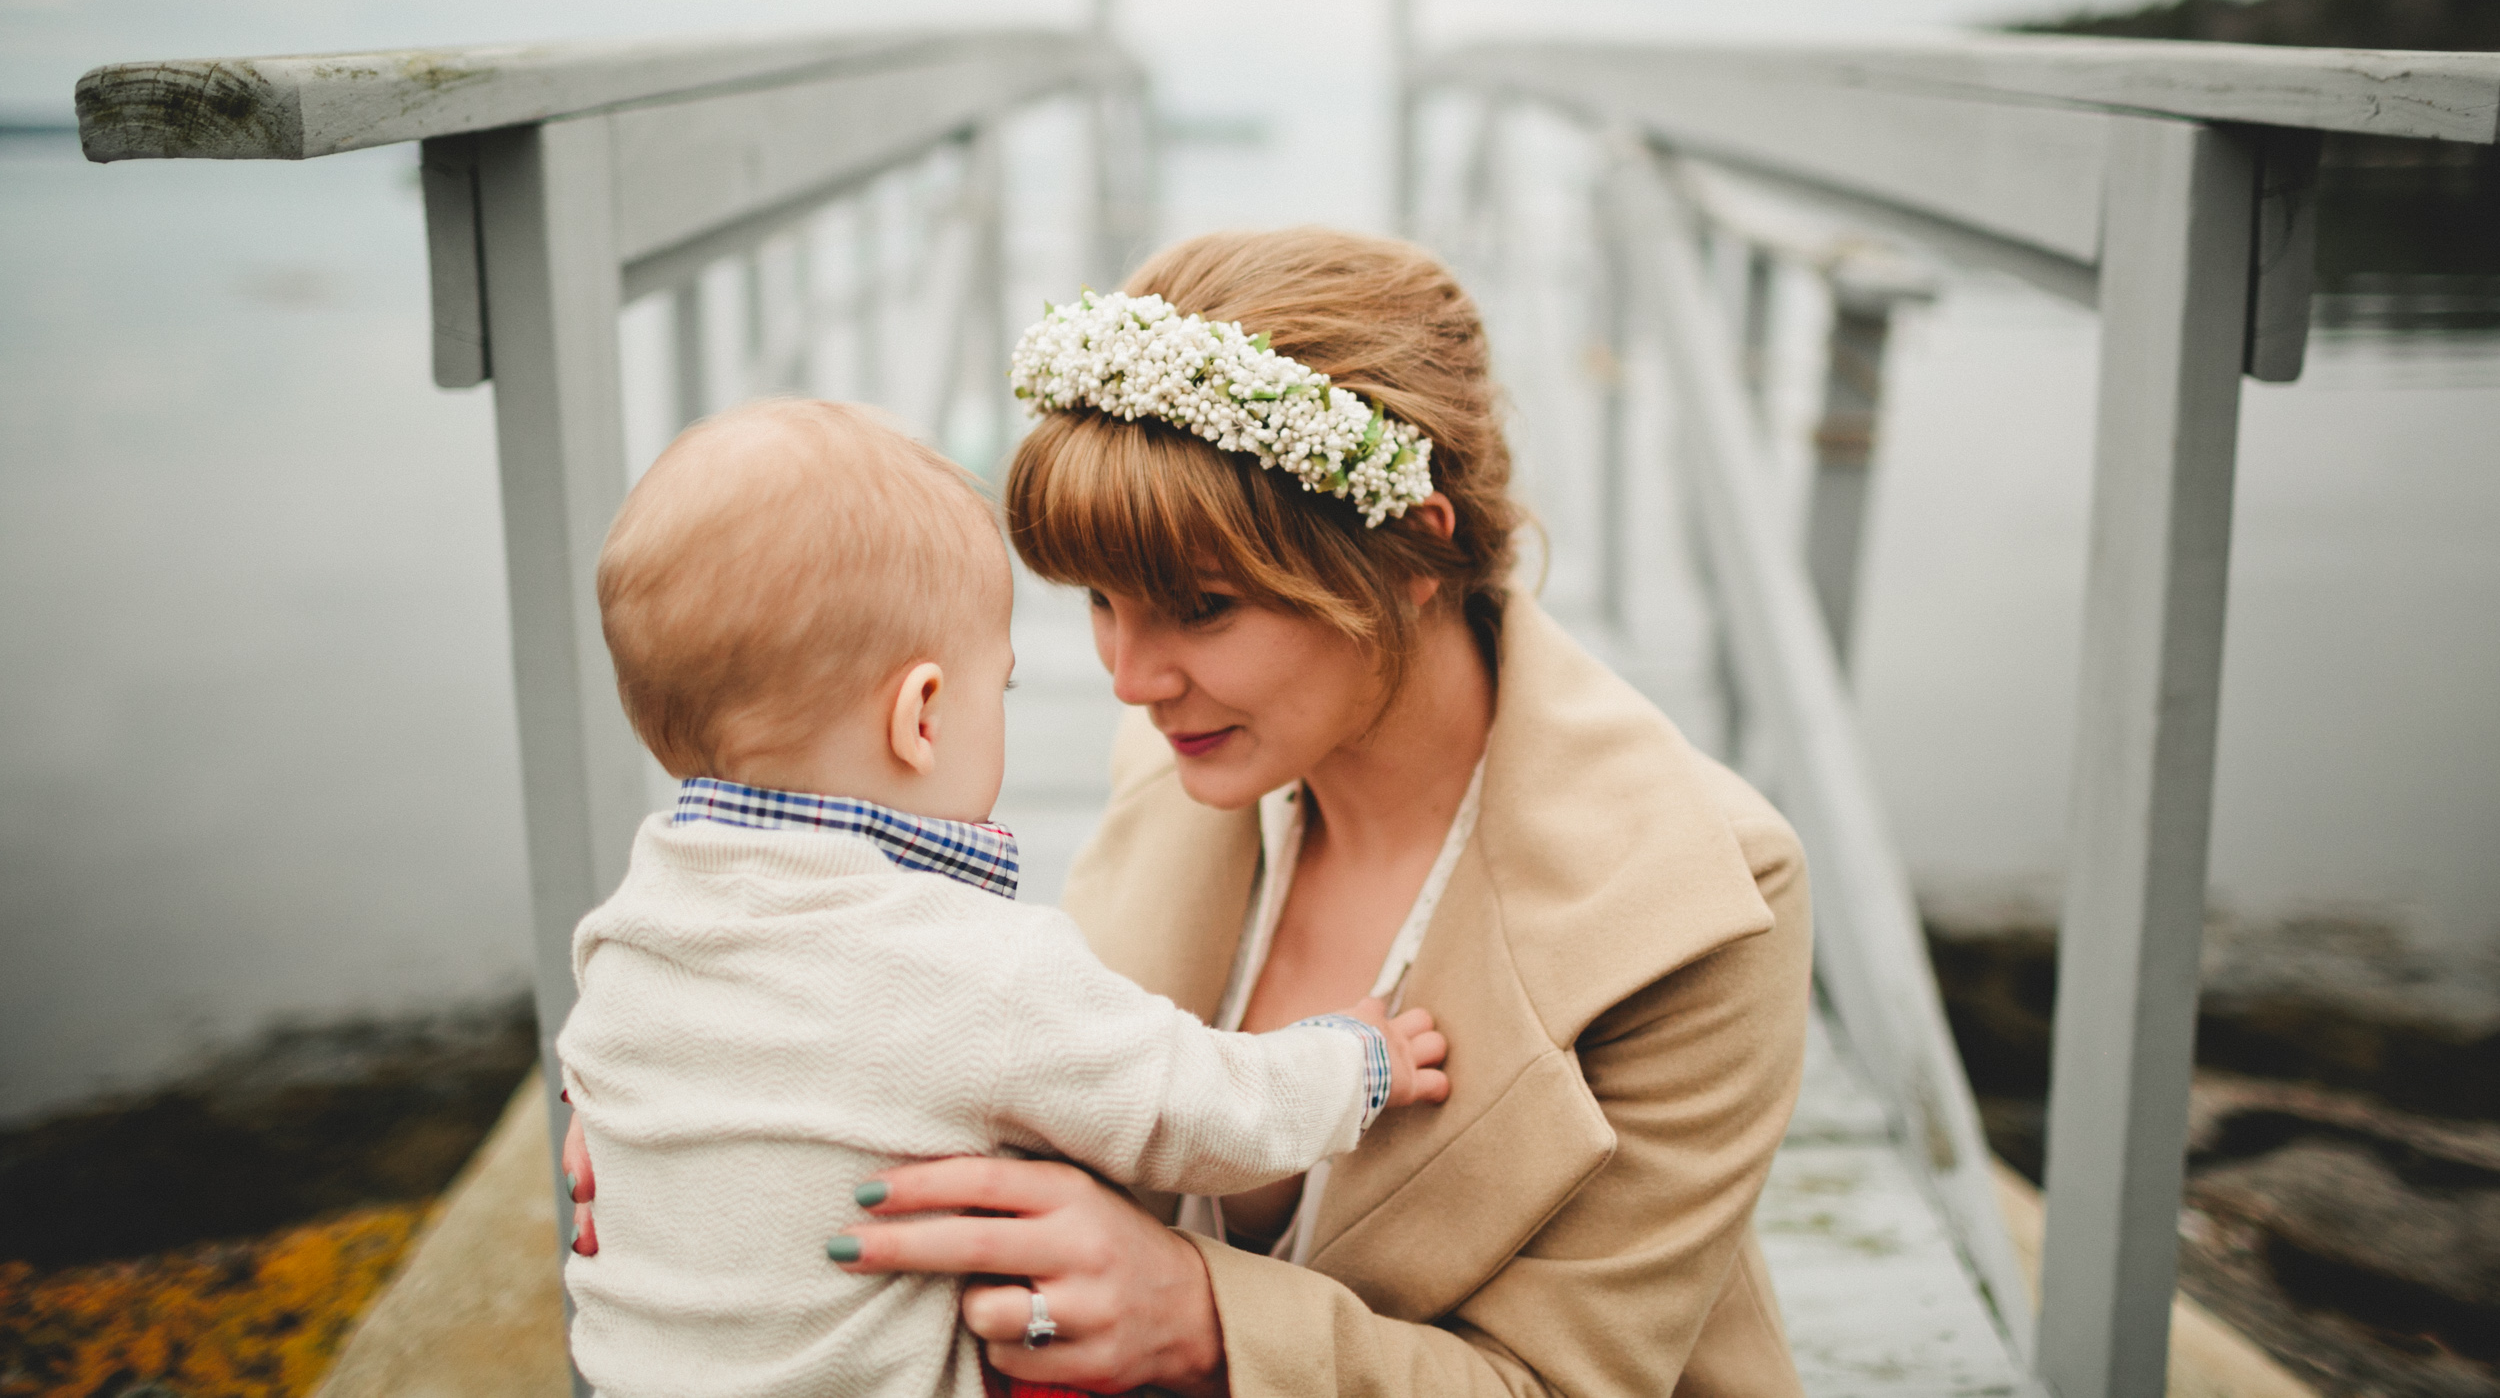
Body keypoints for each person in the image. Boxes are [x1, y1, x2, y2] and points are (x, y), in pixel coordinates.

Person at [569, 230, 1815, 1395]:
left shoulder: (1701, 898)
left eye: (1200, 605)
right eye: (1101, 600)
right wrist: (722, 1165)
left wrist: (1206, 1315)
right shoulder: (1174, 756)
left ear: (1413, 549)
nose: (1130, 676)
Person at [556, 397, 1449, 1398]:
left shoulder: (635, 922)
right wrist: (1356, 1062)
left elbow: (619, 1085)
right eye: (1004, 687)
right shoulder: (972, 961)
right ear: (923, 713)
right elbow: (1188, 1101)